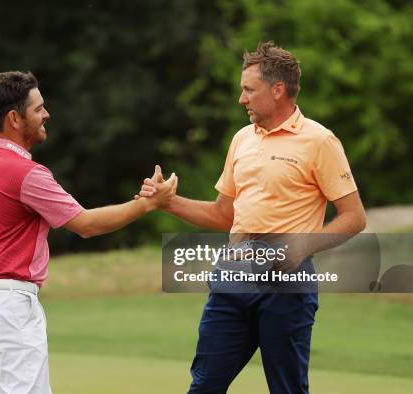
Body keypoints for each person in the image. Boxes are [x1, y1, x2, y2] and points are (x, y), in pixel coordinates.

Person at [139, 42, 366, 393]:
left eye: (248, 90)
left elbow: (354, 218)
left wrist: (301, 248)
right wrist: (168, 202)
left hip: (286, 285)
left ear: (278, 90)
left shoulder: (320, 141)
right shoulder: (242, 139)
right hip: (234, 275)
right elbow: (222, 214)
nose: (241, 99)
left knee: (287, 389)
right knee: (204, 387)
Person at [0, 71, 177, 394]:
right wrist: (147, 205)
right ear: (15, 118)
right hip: (9, 305)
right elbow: (85, 224)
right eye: (38, 108)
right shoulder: (27, 174)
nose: (46, 114)